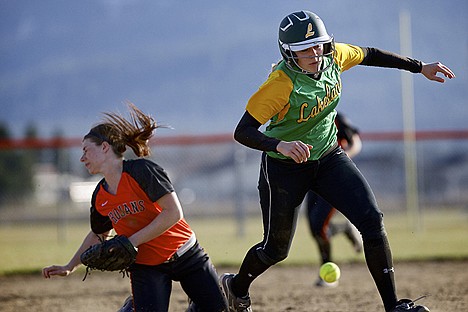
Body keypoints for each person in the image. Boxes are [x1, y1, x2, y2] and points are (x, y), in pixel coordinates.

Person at [220, 10, 455, 312]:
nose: (315, 53)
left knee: (372, 221)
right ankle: (235, 287)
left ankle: (394, 306)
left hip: (329, 156)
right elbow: (243, 131)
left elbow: (370, 54)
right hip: (285, 168)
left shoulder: (334, 57)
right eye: (305, 49)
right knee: (276, 249)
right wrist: (280, 144)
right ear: (288, 53)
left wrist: (419, 67)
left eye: (318, 44)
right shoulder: (280, 84)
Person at [42, 103, 227, 312]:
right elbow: (98, 234)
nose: (82, 158)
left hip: (185, 253)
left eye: (86, 150)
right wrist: (70, 266)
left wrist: (131, 241)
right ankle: (132, 308)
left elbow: (173, 213)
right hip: (146, 265)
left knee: (217, 309)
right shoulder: (100, 196)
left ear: (104, 147)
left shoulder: (142, 171)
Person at [306, 112, 363, 287]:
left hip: (334, 179)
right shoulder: (303, 116)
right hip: (311, 180)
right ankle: (344, 228)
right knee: (315, 229)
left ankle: (327, 274)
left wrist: (344, 156)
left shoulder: (335, 116)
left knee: (319, 225)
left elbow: (356, 142)